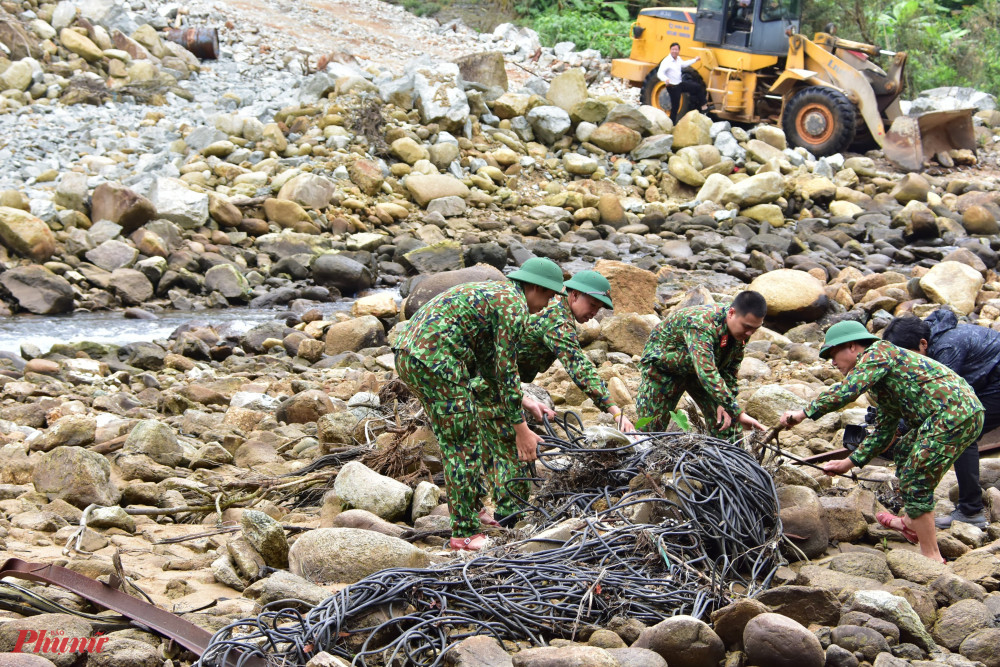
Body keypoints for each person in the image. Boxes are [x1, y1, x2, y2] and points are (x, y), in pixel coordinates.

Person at [392, 257, 565, 551]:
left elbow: (491, 369)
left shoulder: (496, 294)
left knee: (456, 437)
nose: (546, 305)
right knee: (463, 444)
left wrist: (525, 399)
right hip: (437, 362)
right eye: (547, 296)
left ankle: (472, 509)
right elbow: (508, 370)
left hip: (411, 355)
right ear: (534, 287)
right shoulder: (514, 305)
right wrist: (521, 429)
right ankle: (465, 533)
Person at [780, 320, 984, 563]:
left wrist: (803, 413)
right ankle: (910, 522)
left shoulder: (878, 353)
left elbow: (848, 390)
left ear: (853, 347)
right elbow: (885, 431)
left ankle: (932, 556)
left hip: (954, 414)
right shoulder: (879, 380)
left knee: (917, 479)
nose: (832, 363)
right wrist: (850, 462)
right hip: (952, 415)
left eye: (833, 354)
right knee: (905, 451)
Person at [477, 270, 636, 524]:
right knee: (515, 447)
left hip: (494, 380)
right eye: (592, 304)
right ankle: (509, 519)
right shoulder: (557, 318)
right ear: (573, 295)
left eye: (599, 308)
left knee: (489, 444)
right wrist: (614, 411)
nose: (594, 312)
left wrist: (524, 398)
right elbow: (578, 367)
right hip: (489, 382)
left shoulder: (555, 309)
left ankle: (481, 507)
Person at [882, 310, 1000, 528]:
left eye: (908, 355)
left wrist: (899, 428)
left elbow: (944, 400)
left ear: (923, 343)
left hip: (996, 381)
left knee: (962, 432)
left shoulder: (947, 347)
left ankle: (971, 511)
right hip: (989, 379)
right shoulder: (935, 341)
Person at [637, 291, 768, 441]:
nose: (750, 333)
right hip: (664, 370)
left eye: (755, 329)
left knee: (727, 422)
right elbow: (707, 372)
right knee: (649, 432)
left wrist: (726, 403)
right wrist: (737, 412)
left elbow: (731, 368)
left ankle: (728, 461)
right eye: (747, 327)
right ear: (731, 313)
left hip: (701, 373)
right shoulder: (701, 324)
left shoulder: (742, 330)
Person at [656, 42, 702, 123]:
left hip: (678, 84)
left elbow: (684, 64)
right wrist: (665, 79)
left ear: (679, 51)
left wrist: (695, 60)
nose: (675, 51)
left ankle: (702, 104)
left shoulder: (678, 59)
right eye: (673, 49)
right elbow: (660, 73)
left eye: (676, 50)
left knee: (695, 87)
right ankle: (672, 123)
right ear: (670, 50)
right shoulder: (667, 61)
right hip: (671, 86)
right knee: (675, 106)